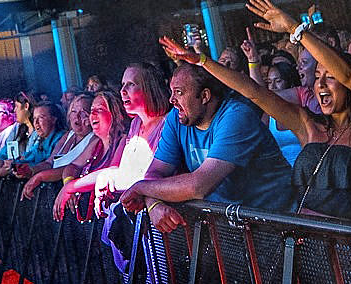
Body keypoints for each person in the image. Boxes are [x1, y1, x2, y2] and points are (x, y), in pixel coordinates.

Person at [160, 36, 351, 223]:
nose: (321, 85)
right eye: (317, 77)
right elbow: (253, 92)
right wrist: (202, 61)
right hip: (309, 237)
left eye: (331, 77)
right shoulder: (307, 124)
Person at [118, 62, 295, 232]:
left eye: (179, 92)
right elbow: (155, 172)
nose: (172, 100)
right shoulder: (176, 118)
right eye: (172, 92)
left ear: (205, 96)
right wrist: (153, 204)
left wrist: (140, 188)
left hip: (276, 223)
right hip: (234, 225)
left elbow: (199, 186)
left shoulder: (236, 116)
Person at [54, 63, 169, 220]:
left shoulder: (168, 123)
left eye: (131, 84)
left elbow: (152, 175)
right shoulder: (136, 124)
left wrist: (100, 180)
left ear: (150, 87)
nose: (122, 91)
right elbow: (125, 172)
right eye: (122, 85)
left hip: (161, 216)